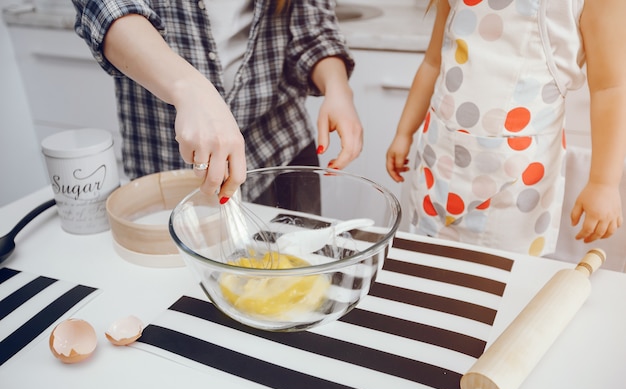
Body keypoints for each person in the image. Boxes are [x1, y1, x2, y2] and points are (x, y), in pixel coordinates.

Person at [386, 0, 626, 256]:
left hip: (518, 181)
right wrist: (404, 132)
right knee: (427, 266)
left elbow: (609, 89)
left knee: (501, 280)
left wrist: (604, 183)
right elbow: (433, 62)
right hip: (438, 160)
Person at [71, 0, 363, 204]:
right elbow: (107, 7)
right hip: (170, 163)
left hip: (280, 148)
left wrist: (337, 88)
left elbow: (314, 29)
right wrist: (190, 90)